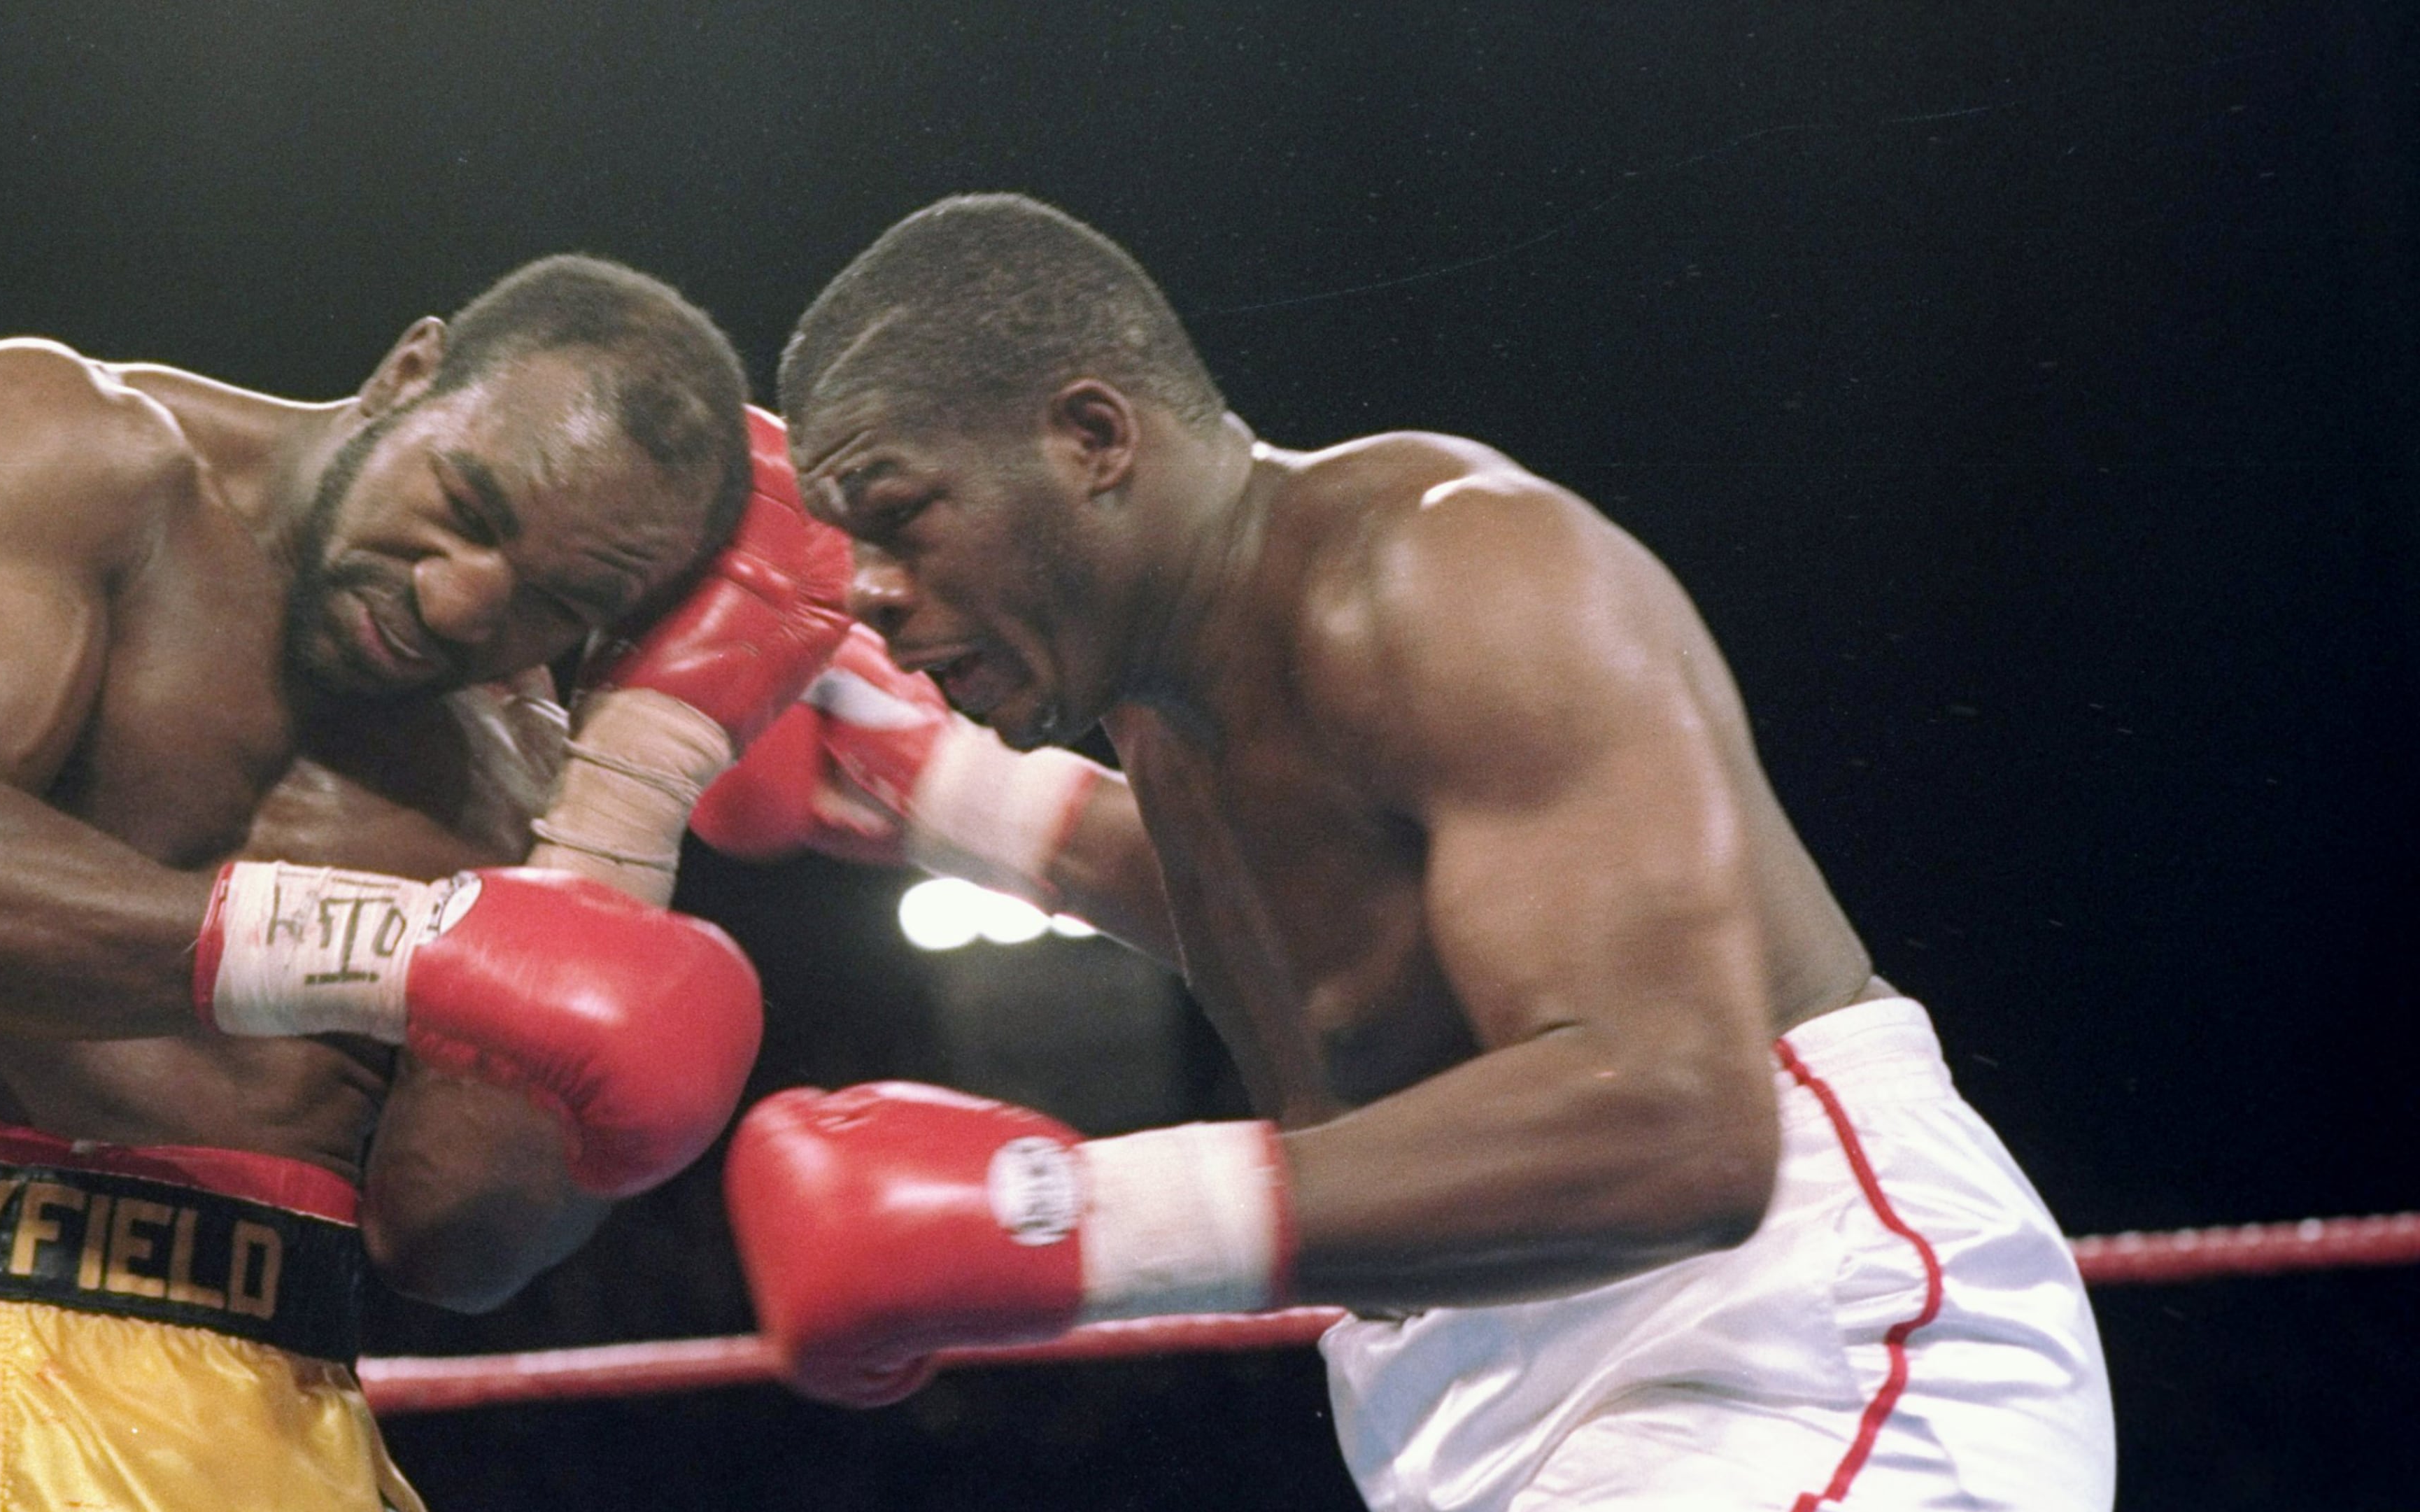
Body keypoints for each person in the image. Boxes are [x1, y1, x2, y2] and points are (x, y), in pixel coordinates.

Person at [707, 196, 2116, 1510]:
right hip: (1467, 1384)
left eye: (898, 519)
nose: (875, 596)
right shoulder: (1159, 688)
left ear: (1092, 439)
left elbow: (1680, 1128)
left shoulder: (1450, 576)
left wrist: (1076, 1221)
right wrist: (942, 791)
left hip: (1788, 1332)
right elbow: (1325, 936)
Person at [0, 255, 849, 1511]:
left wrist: (643, 766)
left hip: (247, 1412)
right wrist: (410, 951)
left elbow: (451, 1241)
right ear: (408, 373)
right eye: (468, 506)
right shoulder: (63, 445)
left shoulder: (539, 780)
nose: (457, 599)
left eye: (557, 600)